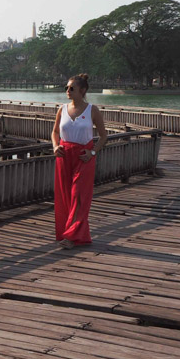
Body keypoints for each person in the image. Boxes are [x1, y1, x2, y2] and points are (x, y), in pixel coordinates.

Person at [51, 73, 107, 248]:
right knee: (65, 196)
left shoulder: (92, 110)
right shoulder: (62, 109)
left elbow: (104, 136)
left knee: (78, 196)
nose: (68, 91)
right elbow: (55, 133)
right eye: (66, 88)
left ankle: (71, 237)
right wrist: (55, 146)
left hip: (83, 157)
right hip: (64, 156)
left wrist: (92, 152)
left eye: (72, 88)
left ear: (82, 91)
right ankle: (72, 234)